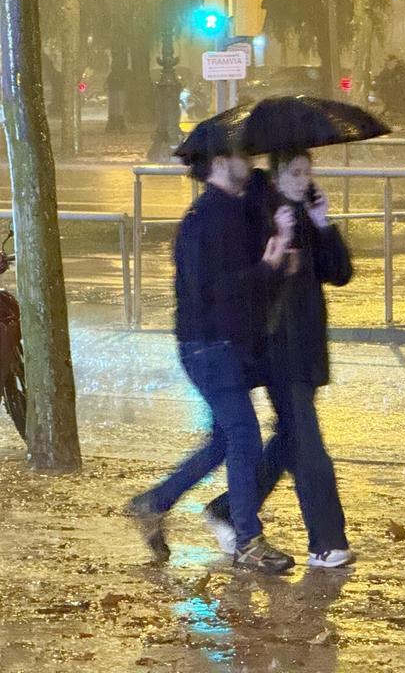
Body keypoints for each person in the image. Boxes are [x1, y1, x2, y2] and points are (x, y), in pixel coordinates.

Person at [125, 130, 298, 575]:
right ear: (220, 162)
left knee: (225, 439)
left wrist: (277, 252)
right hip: (208, 345)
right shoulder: (204, 220)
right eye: (242, 154)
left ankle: (154, 502)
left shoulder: (234, 210)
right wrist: (267, 265)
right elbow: (214, 291)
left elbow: (251, 278)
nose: (251, 161)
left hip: (226, 344)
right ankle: (247, 541)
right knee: (242, 437)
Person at [203, 147, 356, 569]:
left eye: (308, 172)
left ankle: (228, 509)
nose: (304, 179)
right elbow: (253, 280)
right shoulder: (261, 214)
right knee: (309, 447)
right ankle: (326, 541)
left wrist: (323, 224)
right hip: (276, 348)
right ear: (276, 174)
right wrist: (280, 242)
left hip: (306, 345)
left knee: (291, 439)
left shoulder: (305, 211)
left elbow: (339, 273)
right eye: (296, 172)